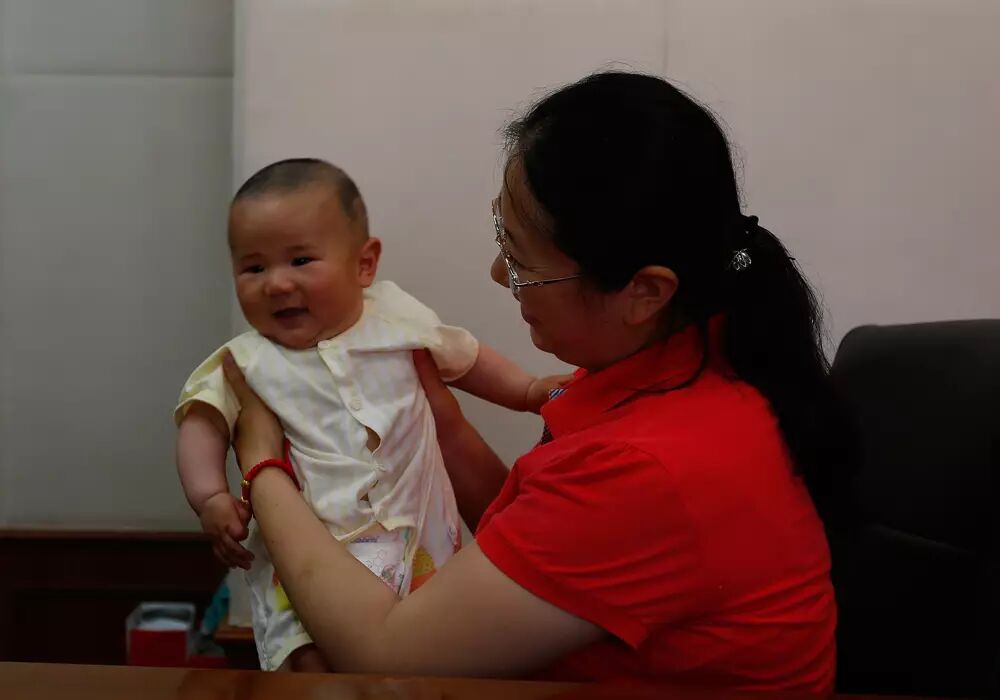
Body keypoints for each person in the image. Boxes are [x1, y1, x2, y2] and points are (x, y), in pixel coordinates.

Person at [221, 72, 843, 692]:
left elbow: (385, 650)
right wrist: (442, 423)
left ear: (645, 292)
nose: (499, 273)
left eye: (520, 261)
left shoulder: (648, 469)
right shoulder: (682, 367)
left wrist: (262, 462)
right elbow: (539, 547)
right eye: (502, 237)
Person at [175, 158, 564, 672]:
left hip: (416, 537)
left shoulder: (396, 318)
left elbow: (465, 357)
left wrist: (527, 390)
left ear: (364, 264)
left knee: (428, 654)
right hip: (310, 554)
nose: (276, 284)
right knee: (309, 663)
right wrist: (209, 496)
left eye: (300, 260)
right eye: (253, 268)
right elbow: (201, 422)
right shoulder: (245, 361)